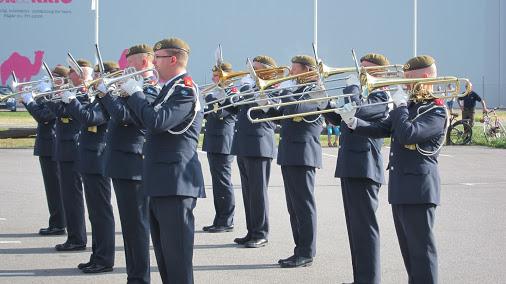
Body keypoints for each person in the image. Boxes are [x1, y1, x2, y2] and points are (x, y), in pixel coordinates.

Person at [340, 55, 447, 284]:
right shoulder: (410, 106)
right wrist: (354, 123)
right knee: (409, 252)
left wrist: (399, 106)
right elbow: (382, 128)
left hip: (420, 188)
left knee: (422, 252)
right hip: (401, 186)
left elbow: (409, 133)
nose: (404, 82)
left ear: (426, 77)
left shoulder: (436, 110)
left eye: (409, 78)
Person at [121, 37, 205, 284]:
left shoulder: (184, 89)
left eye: (157, 57)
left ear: (172, 59)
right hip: (161, 180)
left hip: (176, 182)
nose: (153, 62)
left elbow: (157, 122)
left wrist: (136, 94)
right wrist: (128, 96)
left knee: (177, 259)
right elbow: (145, 120)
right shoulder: (168, 88)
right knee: (165, 258)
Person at [325, 53, 390, 284]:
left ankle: (370, 280)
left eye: (365, 69)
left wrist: (352, 87)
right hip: (350, 165)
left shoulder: (381, 95)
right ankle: (360, 278)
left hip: (365, 167)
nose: (360, 72)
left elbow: (359, 110)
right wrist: (324, 102)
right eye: (359, 68)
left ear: (380, 72)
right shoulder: (361, 94)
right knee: (355, 229)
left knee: (365, 228)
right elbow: (338, 119)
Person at [97, 44, 157, 283]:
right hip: (122, 161)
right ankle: (134, 276)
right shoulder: (132, 85)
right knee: (130, 227)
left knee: (137, 227)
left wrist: (106, 95)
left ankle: (140, 277)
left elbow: (127, 117)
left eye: (129, 61)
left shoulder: (150, 86)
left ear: (143, 61)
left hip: (134, 163)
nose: (125, 66)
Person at [260, 55, 323, 268]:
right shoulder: (297, 90)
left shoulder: (316, 90)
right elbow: (283, 115)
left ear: (306, 70)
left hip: (303, 154)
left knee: (304, 206)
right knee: (293, 207)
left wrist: (283, 90)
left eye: (294, 70)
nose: (291, 73)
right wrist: (268, 105)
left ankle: (306, 252)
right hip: (290, 153)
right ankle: (300, 249)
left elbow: (297, 109)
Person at [227, 55, 278, 248]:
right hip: (244, 144)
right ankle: (251, 230)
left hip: (259, 146)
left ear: (267, 71)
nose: (252, 72)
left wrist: (248, 88)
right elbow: (236, 109)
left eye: (256, 69)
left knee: (258, 192)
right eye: (252, 69)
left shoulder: (273, 88)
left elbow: (270, 110)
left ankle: (261, 232)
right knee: (248, 192)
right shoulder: (252, 87)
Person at [44, 59, 91, 252]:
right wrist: (50, 96)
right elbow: (59, 112)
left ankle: (78, 238)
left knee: (74, 197)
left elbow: (71, 115)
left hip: (73, 149)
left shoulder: (84, 94)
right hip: (64, 148)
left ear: (81, 75)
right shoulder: (74, 92)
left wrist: (62, 97)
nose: (69, 75)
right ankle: (74, 236)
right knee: (68, 197)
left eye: (73, 72)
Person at [20, 66, 68, 236]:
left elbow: (43, 116)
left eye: (54, 77)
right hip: (46, 145)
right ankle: (56, 221)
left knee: (55, 188)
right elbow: (38, 113)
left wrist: (30, 100)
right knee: (51, 188)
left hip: (52, 145)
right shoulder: (49, 95)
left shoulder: (56, 97)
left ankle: (59, 223)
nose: (50, 79)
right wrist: (28, 100)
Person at [201, 62, 237, 233]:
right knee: (217, 183)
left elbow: (220, 112)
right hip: (213, 141)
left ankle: (226, 220)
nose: (213, 78)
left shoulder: (232, 92)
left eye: (216, 76)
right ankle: (219, 218)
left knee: (223, 183)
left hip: (224, 142)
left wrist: (208, 98)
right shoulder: (217, 92)